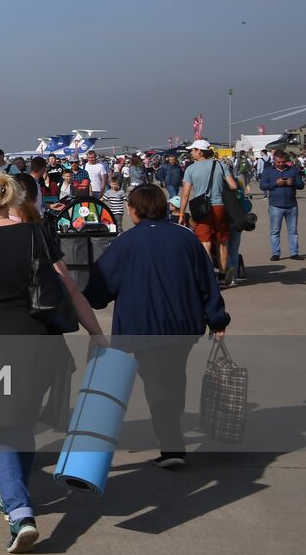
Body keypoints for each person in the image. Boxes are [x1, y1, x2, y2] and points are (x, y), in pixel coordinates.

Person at [0, 168, 105, 554]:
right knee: (22, 423)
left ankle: (19, 511)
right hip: (39, 343)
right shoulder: (36, 233)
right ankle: (16, 495)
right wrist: (95, 332)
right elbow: (69, 287)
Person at [83, 184, 229, 467]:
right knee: (172, 377)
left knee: (158, 385)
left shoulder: (124, 243)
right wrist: (217, 318)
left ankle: (172, 446)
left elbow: (99, 289)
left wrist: (92, 300)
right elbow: (207, 283)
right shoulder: (186, 239)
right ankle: (172, 433)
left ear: (134, 210)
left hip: (143, 328)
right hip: (184, 326)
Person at [177, 140, 239, 277]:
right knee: (221, 241)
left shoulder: (190, 169)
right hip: (220, 206)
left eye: (193, 150)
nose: (191, 152)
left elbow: (185, 194)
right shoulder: (220, 164)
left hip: (201, 208)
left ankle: (210, 274)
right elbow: (233, 186)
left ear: (200, 151)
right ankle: (223, 273)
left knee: (205, 241)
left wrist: (181, 214)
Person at [259, 148, 303, 260]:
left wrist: (293, 183)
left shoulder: (293, 170)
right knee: (275, 231)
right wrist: (275, 183)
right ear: (274, 160)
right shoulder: (268, 171)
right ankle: (275, 253)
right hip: (275, 206)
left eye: (283, 162)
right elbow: (263, 186)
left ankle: (294, 253)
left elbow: (301, 185)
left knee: (293, 231)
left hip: (292, 205)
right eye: (278, 162)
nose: (281, 164)